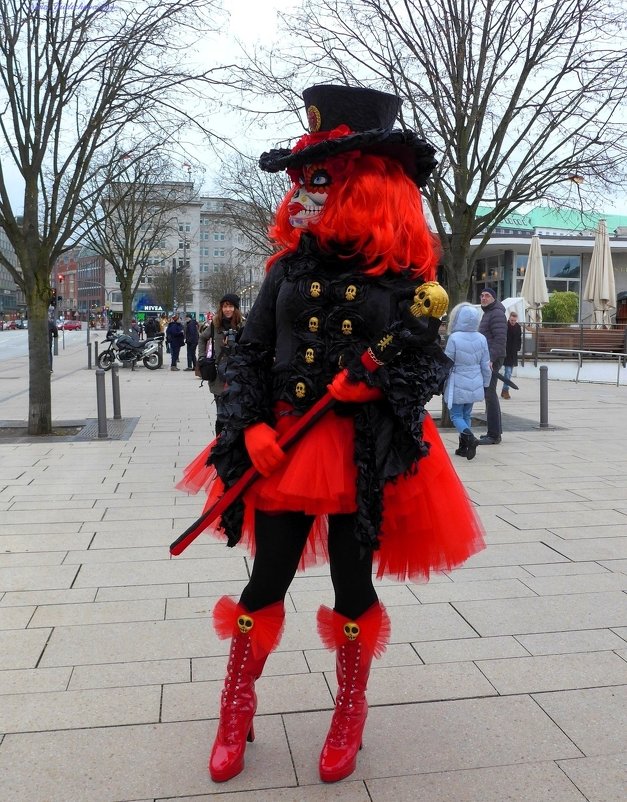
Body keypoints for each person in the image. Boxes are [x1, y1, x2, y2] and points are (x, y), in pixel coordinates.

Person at [177, 84, 484, 785]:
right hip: (285, 444)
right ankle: (236, 704)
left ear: (366, 186)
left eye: (318, 178)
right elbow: (248, 354)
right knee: (267, 578)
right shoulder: (287, 267)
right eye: (300, 180)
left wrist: (372, 382)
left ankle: (350, 707)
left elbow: (426, 362)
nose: (302, 195)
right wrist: (248, 424)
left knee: (353, 584)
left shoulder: (406, 276)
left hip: (362, 449)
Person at [444, 303, 491, 460]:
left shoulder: (454, 338)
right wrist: (486, 383)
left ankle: (469, 439)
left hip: (457, 380)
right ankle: (463, 447)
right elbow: (486, 364)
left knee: (456, 415)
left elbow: (447, 362)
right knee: (466, 414)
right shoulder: (481, 338)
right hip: (475, 379)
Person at [197, 294, 244, 433]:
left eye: (230, 306)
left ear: (236, 308)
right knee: (221, 413)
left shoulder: (242, 325)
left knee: (235, 411)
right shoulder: (215, 324)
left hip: (237, 374)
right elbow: (202, 338)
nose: (227, 309)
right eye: (225, 306)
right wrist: (202, 357)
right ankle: (220, 442)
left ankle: (232, 441)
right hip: (218, 375)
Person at [477, 288, 507, 444]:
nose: (483, 298)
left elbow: (500, 338)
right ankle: (494, 432)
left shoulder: (496, 313)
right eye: (482, 296)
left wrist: (492, 358)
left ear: (494, 298)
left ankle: (494, 435)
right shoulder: (489, 313)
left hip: (492, 358)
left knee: (489, 394)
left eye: (487, 295)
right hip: (489, 357)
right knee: (489, 394)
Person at [502, 310, 522, 399]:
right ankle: (505, 390)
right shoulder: (505, 326)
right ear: (509, 319)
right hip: (505, 352)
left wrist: (518, 348)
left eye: (514, 320)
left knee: (508, 373)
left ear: (516, 320)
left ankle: (505, 390)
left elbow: (519, 339)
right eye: (511, 320)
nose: (513, 322)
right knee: (507, 373)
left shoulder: (518, 327)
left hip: (513, 353)